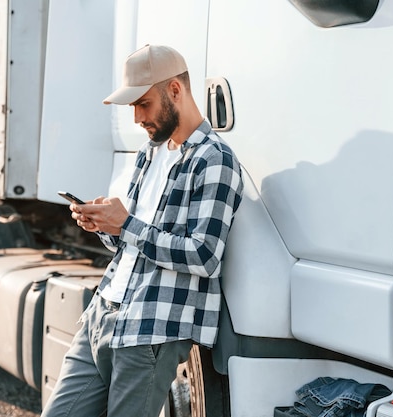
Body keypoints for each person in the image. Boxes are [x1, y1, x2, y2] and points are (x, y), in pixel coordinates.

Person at [42, 44, 243, 417]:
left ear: (175, 91)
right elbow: (131, 243)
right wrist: (103, 224)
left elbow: (204, 254)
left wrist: (127, 225)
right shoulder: (148, 153)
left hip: (151, 329)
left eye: (143, 104)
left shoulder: (214, 160)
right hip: (102, 312)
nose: (136, 117)